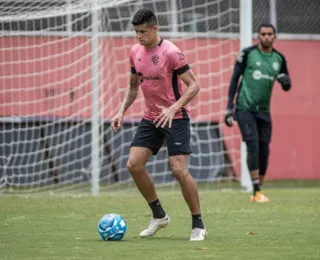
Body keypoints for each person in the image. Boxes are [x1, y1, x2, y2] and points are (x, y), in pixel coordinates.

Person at [111, 9, 206, 241]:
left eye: (143, 31)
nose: (139, 36)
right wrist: (121, 111)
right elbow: (134, 86)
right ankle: (159, 216)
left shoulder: (172, 53)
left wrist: (173, 108)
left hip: (176, 116)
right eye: (136, 32)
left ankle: (198, 224)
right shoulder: (134, 52)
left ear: (155, 29)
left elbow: (194, 85)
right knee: (133, 164)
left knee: (178, 170)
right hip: (151, 116)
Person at [224, 23, 291, 203]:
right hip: (244, 108)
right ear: (258, 36)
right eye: (263, 34)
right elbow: (234, 79)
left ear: (275, 36)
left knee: (264, 150)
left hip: (264, 111)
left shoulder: (279, 59)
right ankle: (256, 189)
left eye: (270, 34)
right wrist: (229, 106)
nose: (267, 37)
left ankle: (258, 191)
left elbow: (287, 85)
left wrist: (285, 82)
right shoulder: (248, 54)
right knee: (252, 145)